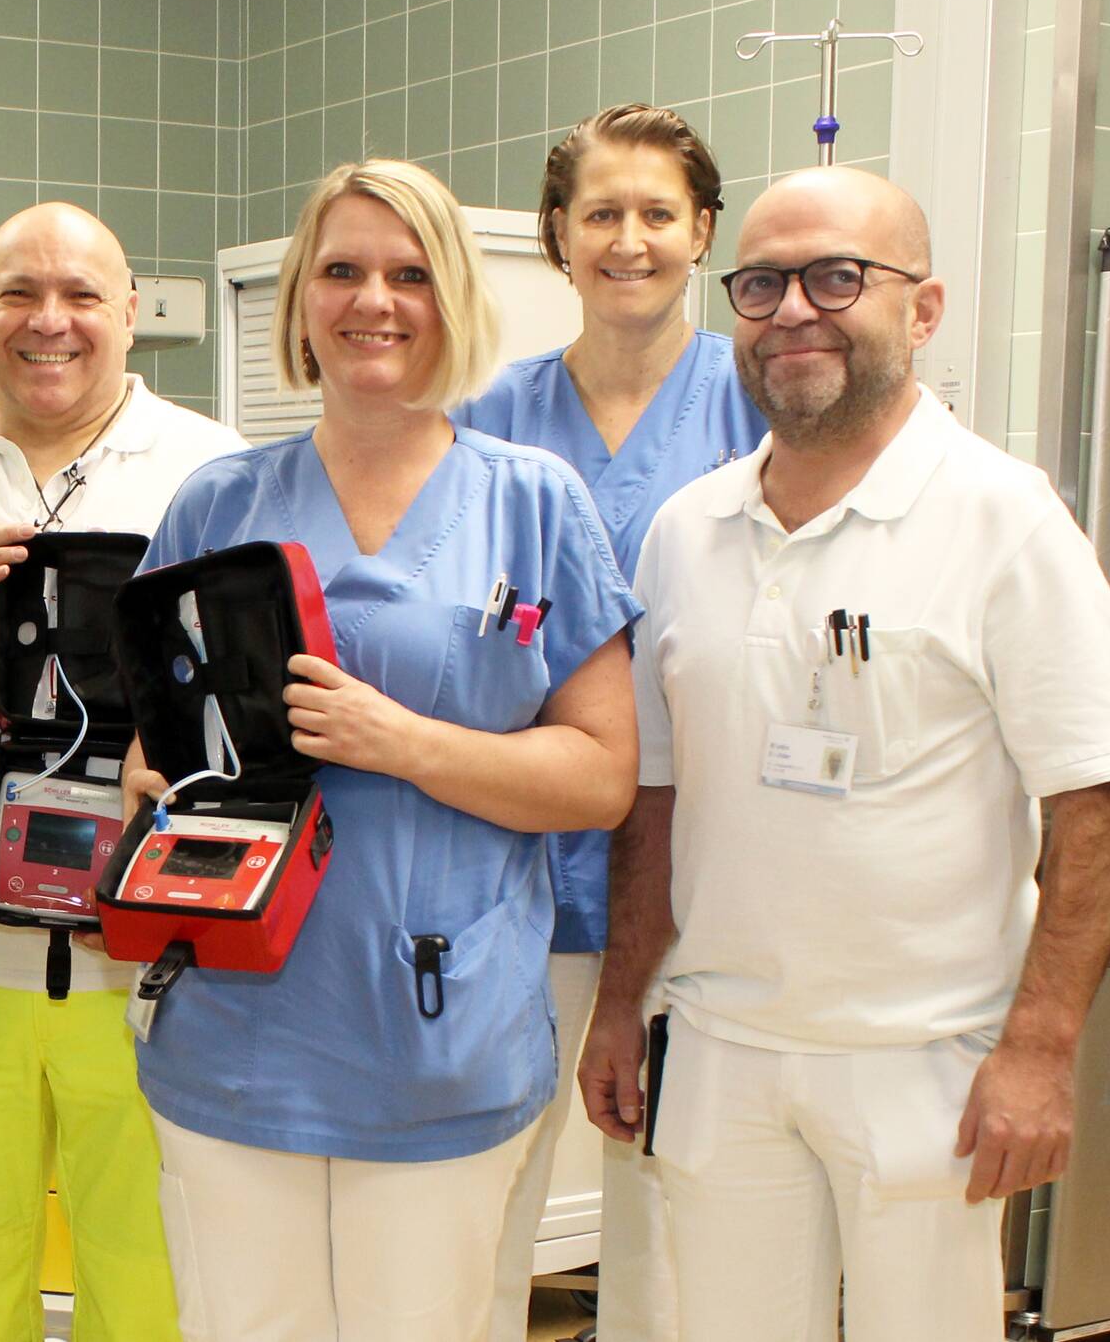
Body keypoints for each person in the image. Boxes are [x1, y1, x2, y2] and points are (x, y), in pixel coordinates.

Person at [579, 166, 1110, 1342]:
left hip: (925, 1063)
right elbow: (654, 800)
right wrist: (619, 1003)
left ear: (921, 309)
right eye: (762, 282)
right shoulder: (688, 532)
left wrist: (1038, 1048)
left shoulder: (1004, 521)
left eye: (838, 276)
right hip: (725, 1046)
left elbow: (1095, 804)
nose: (792, 309)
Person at [123, 159, 642, 1342]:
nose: (376, 301)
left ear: (451, 297)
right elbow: (153, 750)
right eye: (344, 270)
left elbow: (602, 777)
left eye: (410, 274)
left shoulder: (533, 502)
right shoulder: (220, 503)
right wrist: (153, 778)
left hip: (437, 1033)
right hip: (237, 1032)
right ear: (304, 299)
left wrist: (402, 741)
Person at [0, 202, 243, 1342]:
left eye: (81, 295)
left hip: (146, 968)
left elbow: (258, 720)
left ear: (131, 314)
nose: (51, 321)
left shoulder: (213, 474)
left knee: (153, 1280)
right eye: (19, 294)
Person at [455, 104, 763, 1342]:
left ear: (700, 230)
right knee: (483, 1204)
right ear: (556, 237)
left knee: (670, 1221)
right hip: (512, 863)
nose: (626, 239)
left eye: (654, 212)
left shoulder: (757, 402)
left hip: (697, 875)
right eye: (599, 213)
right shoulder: (488, 420)